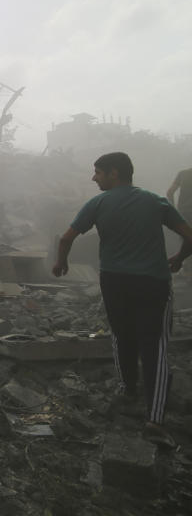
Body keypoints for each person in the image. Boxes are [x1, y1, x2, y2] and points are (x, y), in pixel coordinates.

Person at [53, 152, 192, 448]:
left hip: (114, 281)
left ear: (114, 173)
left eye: (98, 173)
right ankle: (154, 420)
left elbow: (66, 238)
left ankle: (128, 389)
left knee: (122, 335)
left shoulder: (98, 203)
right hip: (153, 282)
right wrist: (179, 258)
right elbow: (188, 235)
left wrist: (61, 263)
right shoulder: (156, 201)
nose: (94, 178)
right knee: (155, 346)